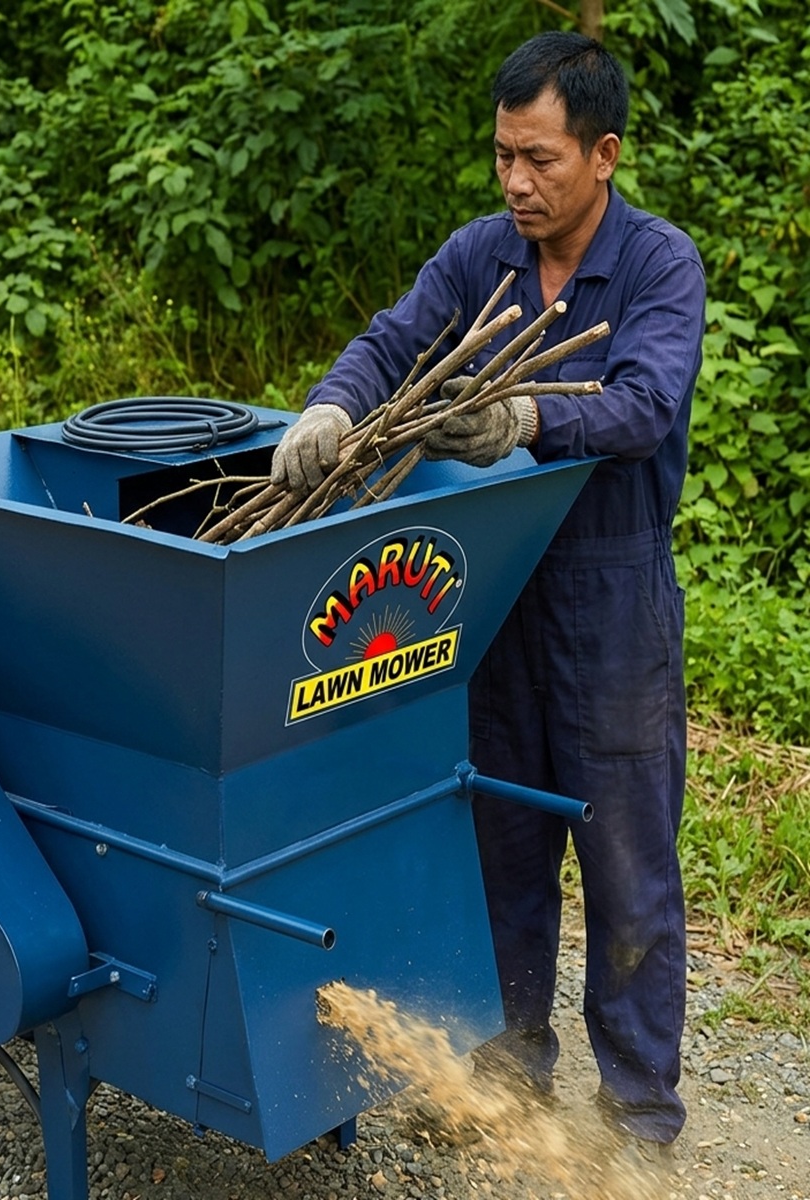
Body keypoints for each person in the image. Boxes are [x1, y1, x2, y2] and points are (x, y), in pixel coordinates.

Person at [271, 31, 705, 1157]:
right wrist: (330, 407)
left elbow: (645, 404)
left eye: (540, 159)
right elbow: (390, 344)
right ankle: (511, 1078)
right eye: (504, 155)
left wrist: (528, 416)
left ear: (603, 154)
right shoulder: (480, 257)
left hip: (612, 598)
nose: (516, 180)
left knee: (627, 867)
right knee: (502, 847)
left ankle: (640, 1118)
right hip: (496, 588)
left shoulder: (659, 266)